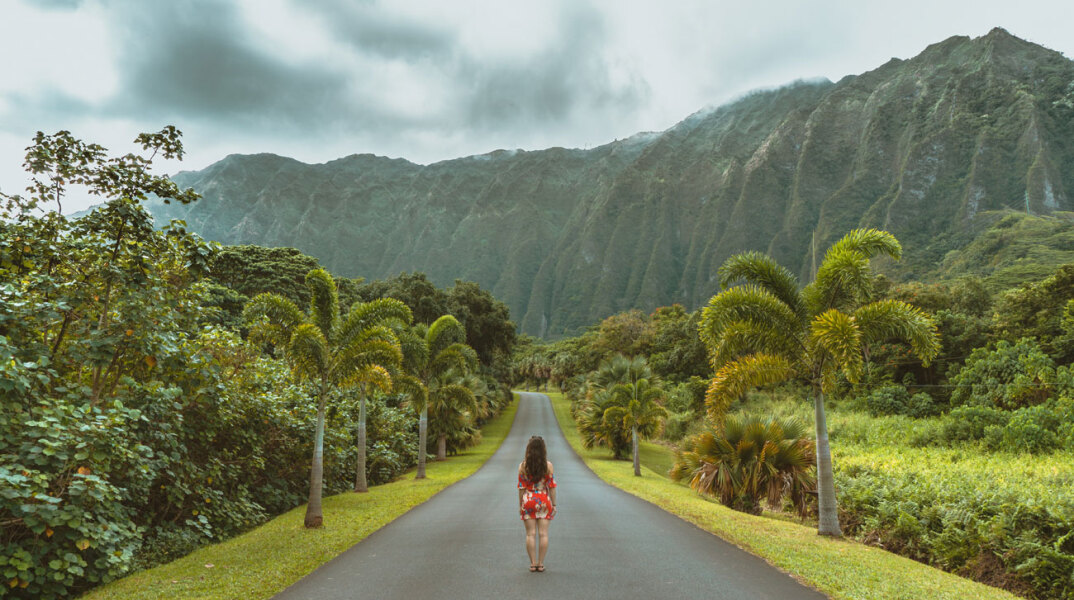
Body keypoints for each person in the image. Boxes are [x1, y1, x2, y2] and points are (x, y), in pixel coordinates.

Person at [518, 435, 556, 572]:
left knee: (530, 534)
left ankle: (532, 563)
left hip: (528, 499)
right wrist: (554, 504)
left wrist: (520, 504)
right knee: (543, 534)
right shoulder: (548, 466)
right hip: (543, 499)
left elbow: (521, 488)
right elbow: (551, 486)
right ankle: (540, 563)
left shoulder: (523, 466)